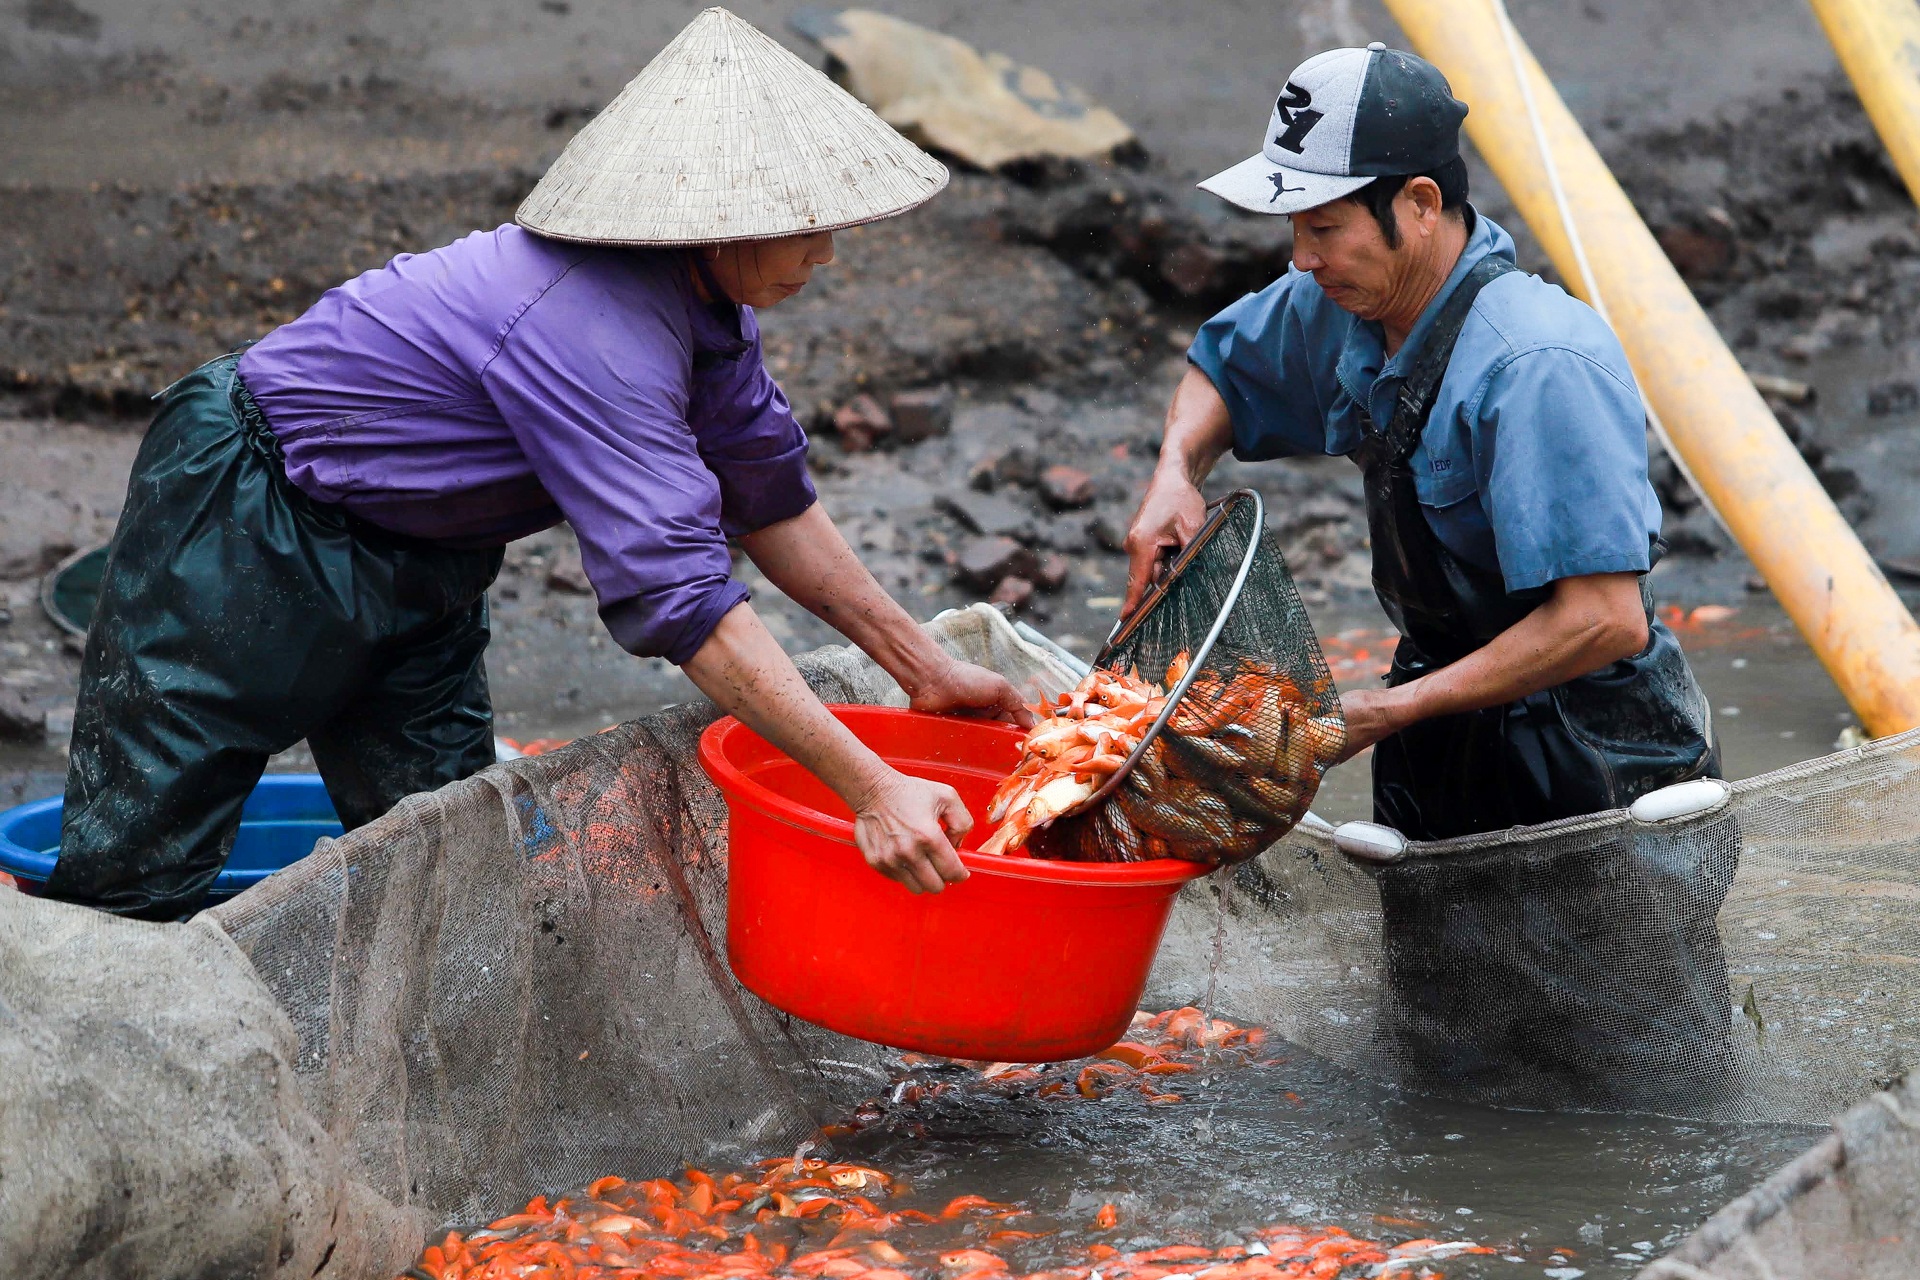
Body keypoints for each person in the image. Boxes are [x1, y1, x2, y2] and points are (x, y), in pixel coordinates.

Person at [46, 8, 1029, 921]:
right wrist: (870, 786)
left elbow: (768, 501)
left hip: (422, 550)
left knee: (449, 857)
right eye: (807, 223)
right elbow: (686, 605)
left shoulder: (709, 308)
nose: (828, 251)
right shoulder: (593, 327)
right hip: (250, 505)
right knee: (143, 856)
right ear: (721, 221)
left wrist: (924, 668)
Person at [1123, 43, 1718, 842]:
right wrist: (1175, 474)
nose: (1302, 257)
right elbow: (1222, 372)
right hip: (1437, 725)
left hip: (1597, 754)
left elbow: (1604, 619)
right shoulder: (1338, 300)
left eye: (1325, 226)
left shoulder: (1536, 363)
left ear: (1422, 203)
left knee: (1613, 969)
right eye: (1296, 226)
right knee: (1433, 965)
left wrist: (1392, 707)